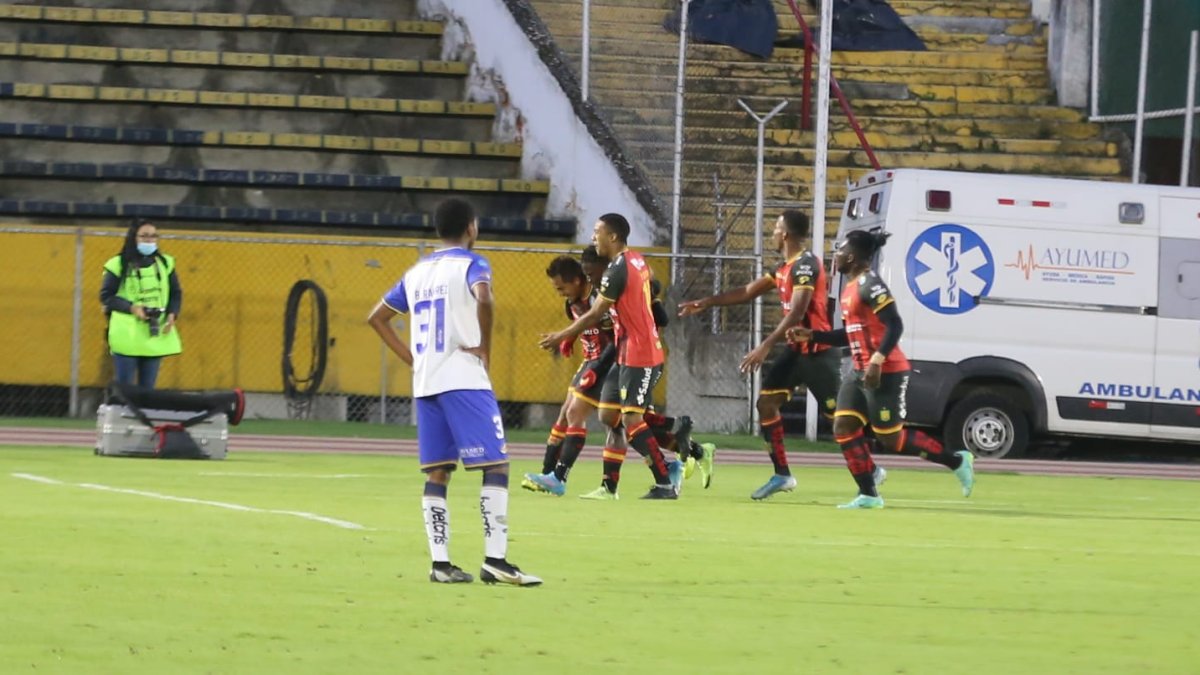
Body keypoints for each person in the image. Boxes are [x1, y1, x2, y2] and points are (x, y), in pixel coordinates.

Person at [367, 198, 541, 585]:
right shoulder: (473, 264)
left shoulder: (416, 273)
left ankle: (440, 564)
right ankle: (496, 560)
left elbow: (376, 318)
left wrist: (412, 358)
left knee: (438, 473)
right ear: (472, 228)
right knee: (496, 465)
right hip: (464, 378)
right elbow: (485, 297)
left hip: (427, 382)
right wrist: (485, 348)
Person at [788, 229, 975, 509]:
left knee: (890, 438)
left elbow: (895, 324)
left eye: (839, 251)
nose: (835, 256)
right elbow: (850, 335)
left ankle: (957, 461)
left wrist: (876, 360)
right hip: (859, 371)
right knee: (843, 426)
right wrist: (813, 336)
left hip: (885, 371)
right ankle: (869, 494)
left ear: (851, 256)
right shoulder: (850, 287)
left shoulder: (870, 284)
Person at [678, 210, 845, 500]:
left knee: (842, 421)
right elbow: (746, 291)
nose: (772, 233)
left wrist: (765, 346)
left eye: (776, 228)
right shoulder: (783, 268)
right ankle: (782, 474)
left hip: (818, 354)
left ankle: (869, 469)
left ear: (786, 235)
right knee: (766, 404)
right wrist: (706, 302)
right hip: (796, 352)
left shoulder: (805, 266)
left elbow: (797, 312)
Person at [536, 213, 678, 499]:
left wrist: (563, 335)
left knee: (633, 421)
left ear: (612, 236)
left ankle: (668, 476)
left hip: (640, 352)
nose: (593, 236)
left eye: (597, 231)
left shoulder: (616, 269)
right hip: (630, 352)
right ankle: (646, 477)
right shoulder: (637, 260)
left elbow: (596, 313)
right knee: (614, 416)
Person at [99, 219, 182, 389]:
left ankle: (143, 415)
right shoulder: (118, 264)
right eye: (144, 236)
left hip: (154, 333)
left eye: (153, 236)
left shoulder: (165, 263)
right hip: (127, 334)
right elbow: (106, 296)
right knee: (125, 389)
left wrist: (172, 314)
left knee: (147, 390)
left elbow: (176, 292)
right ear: (133, 238)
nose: (149, 240)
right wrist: (132, 308)